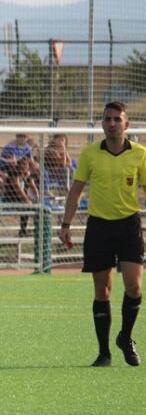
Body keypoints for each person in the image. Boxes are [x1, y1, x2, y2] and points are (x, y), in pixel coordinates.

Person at [59, 101, 146, 368]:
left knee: (134, 286)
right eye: (107, 119)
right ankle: (104, 352)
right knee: (102, 289)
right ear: (102, 123)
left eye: (117, 119)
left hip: (129, 225)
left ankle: (125, 337)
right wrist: (65, 224)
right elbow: (76, 191)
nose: (112, 124)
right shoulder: (90, 154)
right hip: (99, 227)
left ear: (126, 124)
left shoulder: (140, 154)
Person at [1, 157, 39, 237]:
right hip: (10, 199)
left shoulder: (27, 175)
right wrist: (27, 201)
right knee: (27, 207)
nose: (25, 166)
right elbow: (18, 189)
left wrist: (37, 198)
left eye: (26, 165)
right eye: (23, 164)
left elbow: (33, 187)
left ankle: (36, 230)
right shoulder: (14, 173)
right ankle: (23, 231)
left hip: (22, 200)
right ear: (18, 165)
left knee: (37, 208)